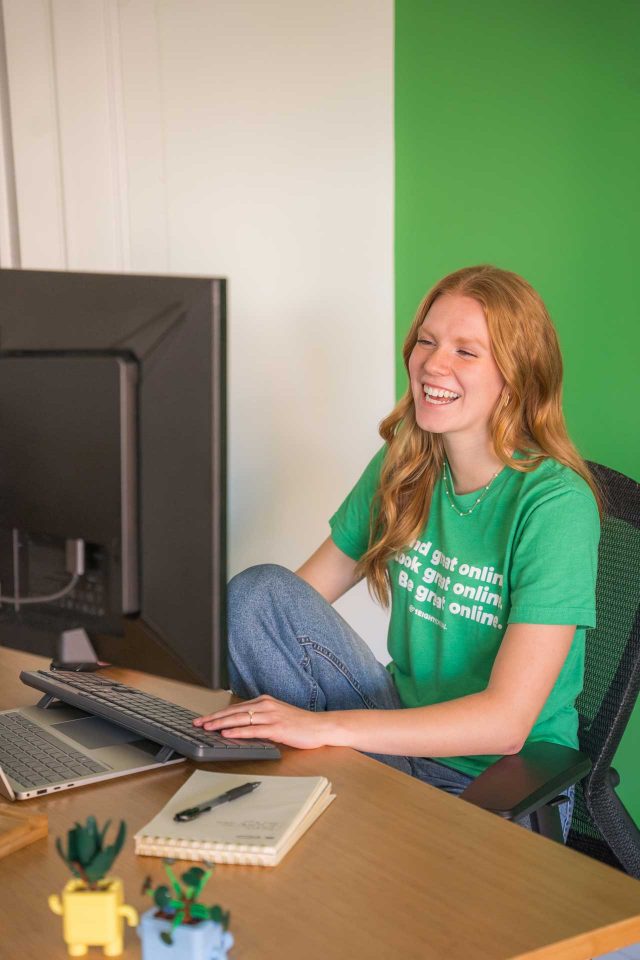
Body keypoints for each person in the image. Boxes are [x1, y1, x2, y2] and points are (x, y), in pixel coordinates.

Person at [194, 264, 602, 842]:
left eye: (467, 352)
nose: (433, 363)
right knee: (256, 593)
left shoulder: (556, 505)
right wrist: (153, 668)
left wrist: (322, 728)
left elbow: (507, 724)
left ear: (517, 374)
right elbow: (285, 607)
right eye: (427, 342)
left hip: (499, 784)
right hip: (394, 740)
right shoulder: (406, 466)